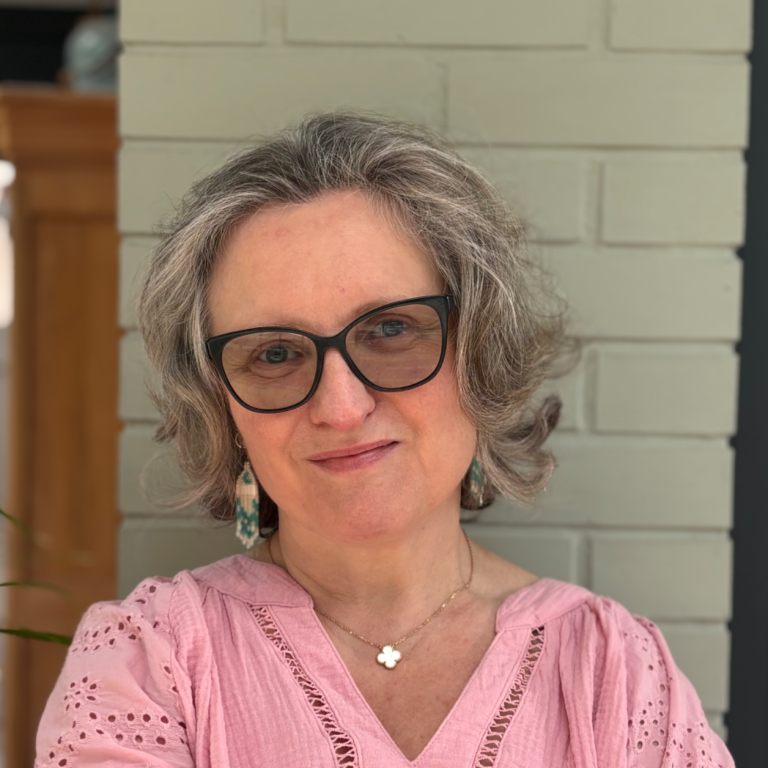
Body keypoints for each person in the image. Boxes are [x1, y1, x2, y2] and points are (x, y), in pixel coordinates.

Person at [36, 113, 734, 767]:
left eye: (391, 330)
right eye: (275, 354)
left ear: (480, 355)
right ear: (221, 405)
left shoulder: (614, 671)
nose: (341, 408)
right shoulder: (148, 663)